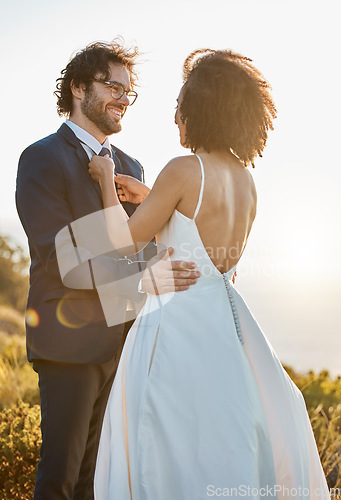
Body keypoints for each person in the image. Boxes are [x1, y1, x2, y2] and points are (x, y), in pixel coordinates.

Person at [88, 49, 330, 499]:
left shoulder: (182, 170)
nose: (175, 120)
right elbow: (213, 255)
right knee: (218, 443)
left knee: (163, 445)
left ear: (199, 110)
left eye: (179, 109)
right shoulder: (246, 180)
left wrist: (106, 178)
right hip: (225, 327)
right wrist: (152, 198)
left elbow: (122, 244)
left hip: (174, 326)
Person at [15, 39, 199, 500]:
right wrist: (141, 278)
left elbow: (147, 246)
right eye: (112, 86)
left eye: (128, 92)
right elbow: (60, 254)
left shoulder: (132, 167)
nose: (123, 98)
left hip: (124, 345)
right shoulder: (41, 158)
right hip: (69, 343)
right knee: (59, 478)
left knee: (99, 483)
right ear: (78, 87)